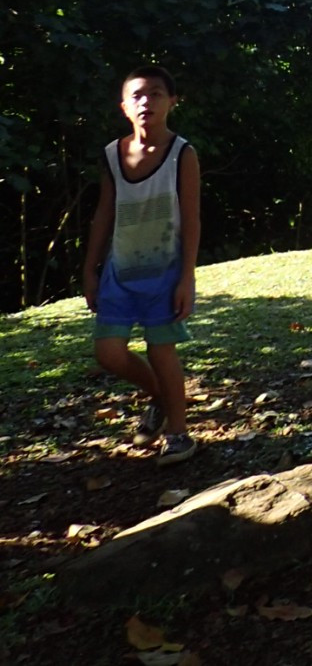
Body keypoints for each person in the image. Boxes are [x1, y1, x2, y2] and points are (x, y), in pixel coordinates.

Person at [81, 66, 202, 466]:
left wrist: (187, 277)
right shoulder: (113, 155)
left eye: (155, 93)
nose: (146, 101)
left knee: (161, 348)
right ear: (124, 107)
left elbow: (191, 218)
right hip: (120, 271)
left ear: (172, 101)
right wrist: (90, 270)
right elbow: (104, 214)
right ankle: (158, 397)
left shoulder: (182, 154)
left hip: (164, 274)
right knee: (108, 353)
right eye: (137, 95)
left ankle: (179, 434)